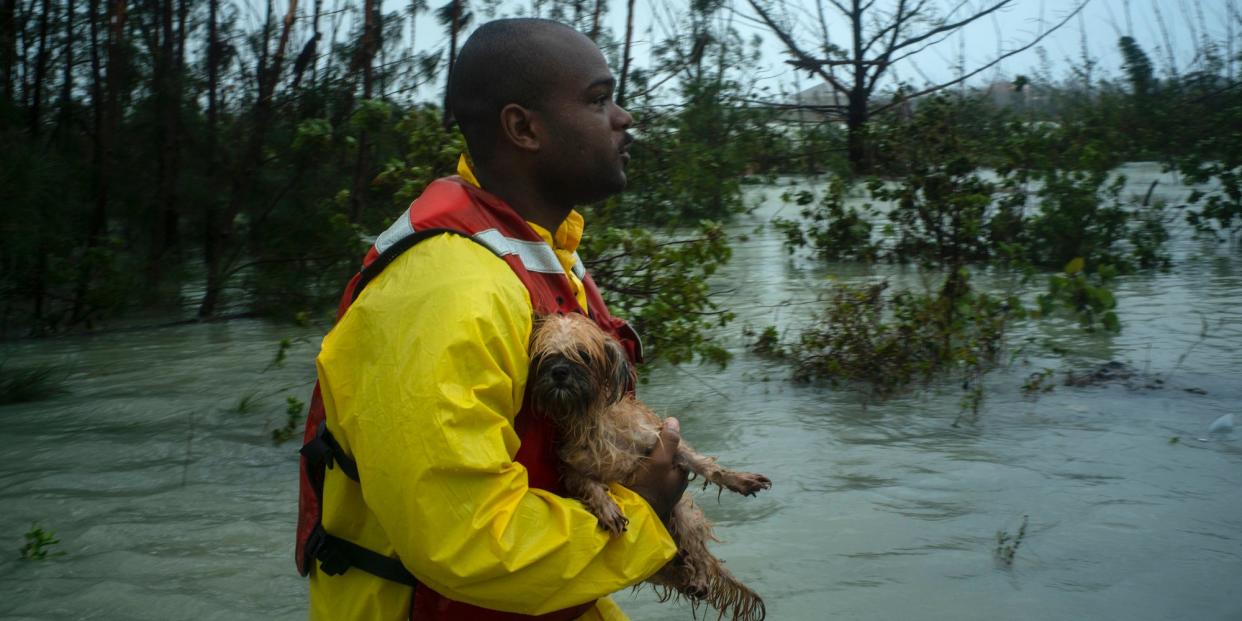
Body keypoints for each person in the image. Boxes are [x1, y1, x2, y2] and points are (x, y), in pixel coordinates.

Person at [295, 18, 691, 621]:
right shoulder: (448, 291)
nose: (623, 118)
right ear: (523, 128)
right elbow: (467, 541)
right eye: (599, 99)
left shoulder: (538, 252)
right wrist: (646, 511)